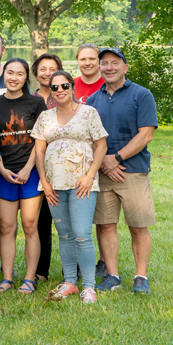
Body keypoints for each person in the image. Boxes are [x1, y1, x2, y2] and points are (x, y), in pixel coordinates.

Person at [32, 70, 108, 303]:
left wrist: (89, 176)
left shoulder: (88, 113)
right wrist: (44, 182)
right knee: (64, 234)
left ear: (72, 87)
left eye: (64, 86)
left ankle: (88, 286)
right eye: (55, 87)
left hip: (81, 184)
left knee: (82, 234)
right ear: (50, 91)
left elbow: (101, 146)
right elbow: (39, 150)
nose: (60, 90)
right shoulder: (45, 117)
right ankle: (69, 283)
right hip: (54, 185)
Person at [88, 47, 157, 294]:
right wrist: (104, 164)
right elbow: (90, 138)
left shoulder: (142, 95)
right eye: (104, 63)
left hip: (133, 171)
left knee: (138, 225)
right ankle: (113, 275)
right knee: (105, 225)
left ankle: (141, 277)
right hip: (103, 174)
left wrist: (115, 158)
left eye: (115, 62)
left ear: (125, 68)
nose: (109, 67)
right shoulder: (93, 100)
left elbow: (146, 134)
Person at [0, 58, 47, 294]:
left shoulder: (36, 103)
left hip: (31, 173)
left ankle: (30, 278)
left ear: (26, 77)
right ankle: (7, 278)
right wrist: (1, 169)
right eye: (9, 73)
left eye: (19, 74)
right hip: (5, 174)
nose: (14, 78)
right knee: (7, 226)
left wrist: (27, 168)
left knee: (30, 225)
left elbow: (41, 140)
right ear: (3, 75)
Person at [30, 53, 62, 281]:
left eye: (52, 68)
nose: (47, 72)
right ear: (35, 72)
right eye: (43, 68)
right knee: (42, 222)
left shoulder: (67, 97)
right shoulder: (30, 100)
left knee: (67, 222)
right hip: (37, 167)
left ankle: (76, 271)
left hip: (64, 168)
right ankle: (41, 271)